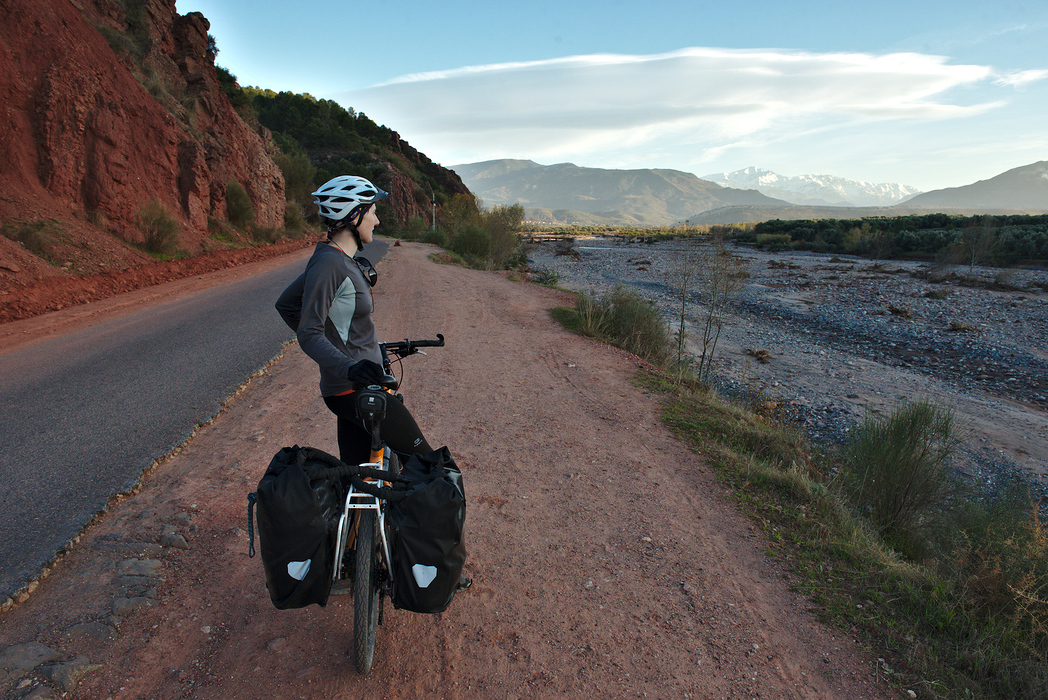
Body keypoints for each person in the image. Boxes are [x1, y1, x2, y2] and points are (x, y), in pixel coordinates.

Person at [275, 175, 434, 466]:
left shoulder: (334, 259)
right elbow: (309, 332)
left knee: (358, 474)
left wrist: (346, 348)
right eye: (373, 212)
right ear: (354, 214)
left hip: (353, 387)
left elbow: (287, 304)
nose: (377, 220)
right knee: (434, 469)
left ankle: (361, 514)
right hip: (354, 389)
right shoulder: (330, 265)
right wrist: (349, 364)